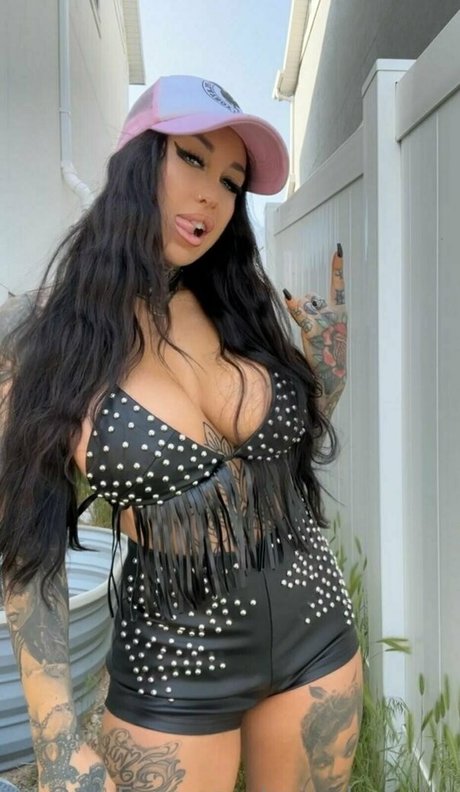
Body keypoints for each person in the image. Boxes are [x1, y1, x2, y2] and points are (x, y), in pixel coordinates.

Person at [0, 75, 362, 792]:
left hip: (317, 632)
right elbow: (27, 553)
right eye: (192, 158)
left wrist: (327, 375)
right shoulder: (39, 338)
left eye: (230, 181)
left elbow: (273, 457)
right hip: (174, 662)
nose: (211, 196)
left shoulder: (242, 307)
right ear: (137, 163)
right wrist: (57, 742)